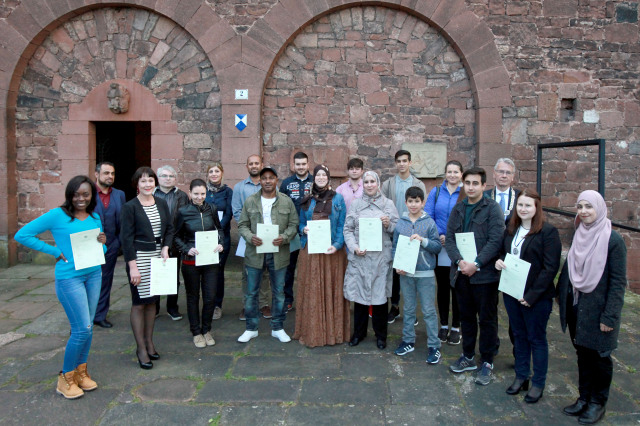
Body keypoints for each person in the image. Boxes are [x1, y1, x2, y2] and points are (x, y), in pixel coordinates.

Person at [15, 175, 107, 399]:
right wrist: (55, 252)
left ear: (91, 195)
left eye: (85, 194)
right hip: (70, 279)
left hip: (94, 274)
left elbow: (99, 252)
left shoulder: (95, 217)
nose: (81, 199)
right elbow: (22, 234)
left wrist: (103, 245)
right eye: (76, 194)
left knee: (88, 328)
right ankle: (65, 378)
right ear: (69, 195)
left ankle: (80, 373)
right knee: (81, 329)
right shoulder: (58, 215)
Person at [558, 190, 627, 424]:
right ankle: (584, 397)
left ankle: (598, 403)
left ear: (599, 208)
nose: (584, 211)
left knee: (600, 357)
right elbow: (569, 269)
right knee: (582, 354)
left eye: (589, 206)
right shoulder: (580, 233)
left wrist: (610, 317)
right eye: (580, 207)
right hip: (578, 308)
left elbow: (618, 283)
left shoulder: (613, 240)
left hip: (599, 312)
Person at [495, 189, 561, 403]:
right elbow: (503, 252)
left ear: (536, 208)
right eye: (520, 205)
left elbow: (550, 268)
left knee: (536, 339)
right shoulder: (510, 228)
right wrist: (498, 262)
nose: (523, 209)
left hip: (536, 297)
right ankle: (521, 376)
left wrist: (531, 296)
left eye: (528, 205)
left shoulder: (548, 232)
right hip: (512, 292)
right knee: (519, 336)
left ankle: (538, 383)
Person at [446, 167, 505, 386]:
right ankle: (468, 356)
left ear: (483, 186)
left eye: (475, 183)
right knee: (467, 318)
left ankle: (487, 360)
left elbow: (495, 240)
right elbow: (450, 238)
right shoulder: (459, 208)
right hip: (462, 274)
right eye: (467, 183)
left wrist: (477, 263)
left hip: (485, 277)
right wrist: (459, 262)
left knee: (487, 319)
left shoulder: (493, 209)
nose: (470, 187)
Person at [237, 167, 299, 344]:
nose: (267, 181)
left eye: (271, 178)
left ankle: (278, 327)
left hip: (278, 252)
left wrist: (284, 237)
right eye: (264, 178)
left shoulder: (286, 202)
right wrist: (250, 237)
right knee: (251, 292)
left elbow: (294, 225)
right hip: (255, 253)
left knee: (279, 292)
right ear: (260, 181)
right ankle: (251, 328)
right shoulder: (250, 201)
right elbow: (242, 225)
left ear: (276, 180)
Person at [120, 167, 174, 369]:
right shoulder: (130, 207)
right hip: (139, 258)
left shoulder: (160, 203)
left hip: (158, 257)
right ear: (137, 184)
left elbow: (169, 228)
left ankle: (150, 342)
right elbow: (126, 239)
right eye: (143, 181)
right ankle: (140, 348)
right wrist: (132, 267)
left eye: (150, 180)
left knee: (153, 302)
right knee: (139, 303)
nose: (147, 184)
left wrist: (166, 247)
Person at [293, 165, 350, 347]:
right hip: (311, 251)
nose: (320, 177)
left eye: (324, 175)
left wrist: (337, 245)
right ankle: (312, 331)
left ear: (328, 178)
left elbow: (342, 225)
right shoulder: (307, 200)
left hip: (332, 251)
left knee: (332, 289)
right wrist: (304, 229)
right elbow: (300, 223)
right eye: (317, 174)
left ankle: (333, 333)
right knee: (312, 289)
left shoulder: (338, 198)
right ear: (314, 177)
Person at [344, 171, 399, 350]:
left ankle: (381, 335)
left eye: (372, 182)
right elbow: (348, 229)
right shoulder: (356, 204)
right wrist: (354, 247)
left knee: (379, 298)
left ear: (377, 183)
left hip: (380, 259)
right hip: (361, 257)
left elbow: (397, 228)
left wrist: (388, 224)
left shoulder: (387, 204)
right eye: (366, 182)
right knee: (360, 298)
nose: (369, 185)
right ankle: (359, 333)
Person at [392, 186, 442, 363]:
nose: (414, 204)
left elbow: (437, 246)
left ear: (422, 203)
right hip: (406, 273)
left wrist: (424, 241)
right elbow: (395, 246)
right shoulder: (401, 223)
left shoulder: (429, 223)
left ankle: (434, 345)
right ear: (406, 202)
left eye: (417, 201)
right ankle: (408, 340)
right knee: (409, 308)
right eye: (410, 201)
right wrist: (397, 265)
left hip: (425, 272)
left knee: (428, 310)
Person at [174, 179, 224, 348]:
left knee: (210, 297)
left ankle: (207, 329)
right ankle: (196, 331)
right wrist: (186, 248)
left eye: (202, 193)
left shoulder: (212, 209)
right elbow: (175, 236)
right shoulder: (183, 212)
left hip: (210, 260)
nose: (199, 197)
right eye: (196, 193)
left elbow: (220, 229)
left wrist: (221, 242)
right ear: (190, 193)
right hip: (190, 261)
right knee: (193, 296)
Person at [381, 150, 426, 324]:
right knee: (395, 273)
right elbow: (382, 205)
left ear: (410, 162)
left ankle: (411, 309)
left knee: (410, 272)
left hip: (412, 233)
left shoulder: (418, 184)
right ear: (395, 163)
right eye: (398, 161)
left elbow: (423, 208)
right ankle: (395, 306)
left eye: (405, 161)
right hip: (393, 232)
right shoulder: (388, 184)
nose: (401, 164)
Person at [425, 160, 464, 345]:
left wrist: (451, 237)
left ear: (461, 174)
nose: (452, 175)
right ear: (445, 173)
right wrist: (438, 235)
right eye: (449, 171)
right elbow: (429, 215)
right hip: (440, 246)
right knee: (442, 287)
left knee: (457, 287)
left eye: (456, 172)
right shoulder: (436, 191)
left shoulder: (465, 193)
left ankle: (456, 326)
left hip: (458, 247)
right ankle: (443, 325)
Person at [232, 154, 272, 320]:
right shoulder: (240, 188)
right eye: (251, 164)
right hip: (247, 236)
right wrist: (249, 232)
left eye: (257, 163)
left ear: (262, 164)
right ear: (247, 166)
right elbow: (236, 212)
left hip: (267, 236)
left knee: (265, 271)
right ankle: (247, 304)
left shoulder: (270, 185)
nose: (254, 166)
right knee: (247, 272)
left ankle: (263, 304)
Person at [279, 151, 313, 312]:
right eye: (298, 164)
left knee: (310, 267)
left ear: (308, 165)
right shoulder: (286, 184)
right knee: (289, 267)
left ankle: (309, 299)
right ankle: (288, 299)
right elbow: (279, 206)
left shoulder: (316, 181)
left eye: (303, 164)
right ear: (293, 165)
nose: (301, 167)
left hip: (310, 231)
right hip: (291, 231)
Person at [93, 162, 126, 329]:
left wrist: (118, 243)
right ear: (96, 174)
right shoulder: (87, 193)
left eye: (112, 173)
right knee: (87, 281)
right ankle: (84, 316)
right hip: (90, 247)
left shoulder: (119, 195)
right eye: (106, 173)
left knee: (105, 281)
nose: (110, 176)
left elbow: (122, 220)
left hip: (112, 245)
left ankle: (100, 315)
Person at [154, 165, 189, 321]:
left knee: (173, 277)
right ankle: (153, 308)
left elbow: (185, 218)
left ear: (176, 179)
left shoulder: (182, 196)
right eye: (164, 176)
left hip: (175, 240)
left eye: (171, 176)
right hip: (154, 240)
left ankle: (172, 308)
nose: (167, 179)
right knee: (154, 275)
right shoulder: (151, 193)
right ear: (158, 178)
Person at [204, 163, 234, 320]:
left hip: (222, 236)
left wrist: (217, 228)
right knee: (205, 270)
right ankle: (206, 302)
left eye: (217, 171)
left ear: (222, 173)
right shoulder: (203, 191)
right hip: (204, 237)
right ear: (207, 174)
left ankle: (217, 305)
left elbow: (229, 213)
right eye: (211, 171)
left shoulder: (228, 191)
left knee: (218, 270)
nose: (214, 174)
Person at [484, 158, 520, 224]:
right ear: (494, 174)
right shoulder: (484, 196)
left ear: (513, 176)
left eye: (508, 173)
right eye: (501, 172)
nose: (504, 176)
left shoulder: (520, 197)